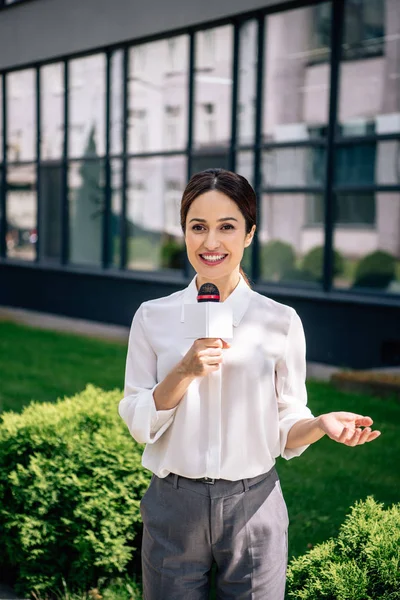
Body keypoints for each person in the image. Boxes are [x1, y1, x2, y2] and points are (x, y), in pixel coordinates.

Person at [119, 168, 381, 600]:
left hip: (253, 505)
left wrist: (319, 424)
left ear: (249, 233)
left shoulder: (279, 321)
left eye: (227, 227)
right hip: (173, 505)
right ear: (183, 231)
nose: (210, 243)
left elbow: (287, 418)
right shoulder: (152, 316)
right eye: (197, 227)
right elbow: (138, 419)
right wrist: (183, 371)